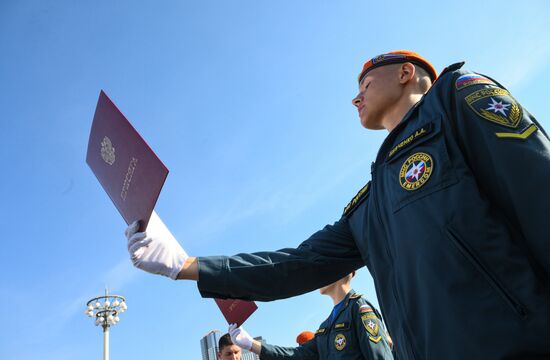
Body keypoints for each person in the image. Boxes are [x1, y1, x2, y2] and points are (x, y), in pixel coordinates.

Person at [125, 50, 550, 359]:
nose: (355, 98)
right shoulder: (367, 206)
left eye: (364, 84)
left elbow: (537, 187)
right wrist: (185, 264)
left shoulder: (455, 102)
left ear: (406, 73)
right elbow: (295, 264)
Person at [227, 273, 393, 359]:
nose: (317, 277)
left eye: (324, 270)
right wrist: (252, 344)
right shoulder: (325, 327)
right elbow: (297, 356)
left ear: (344, 271)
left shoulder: (359, 309)